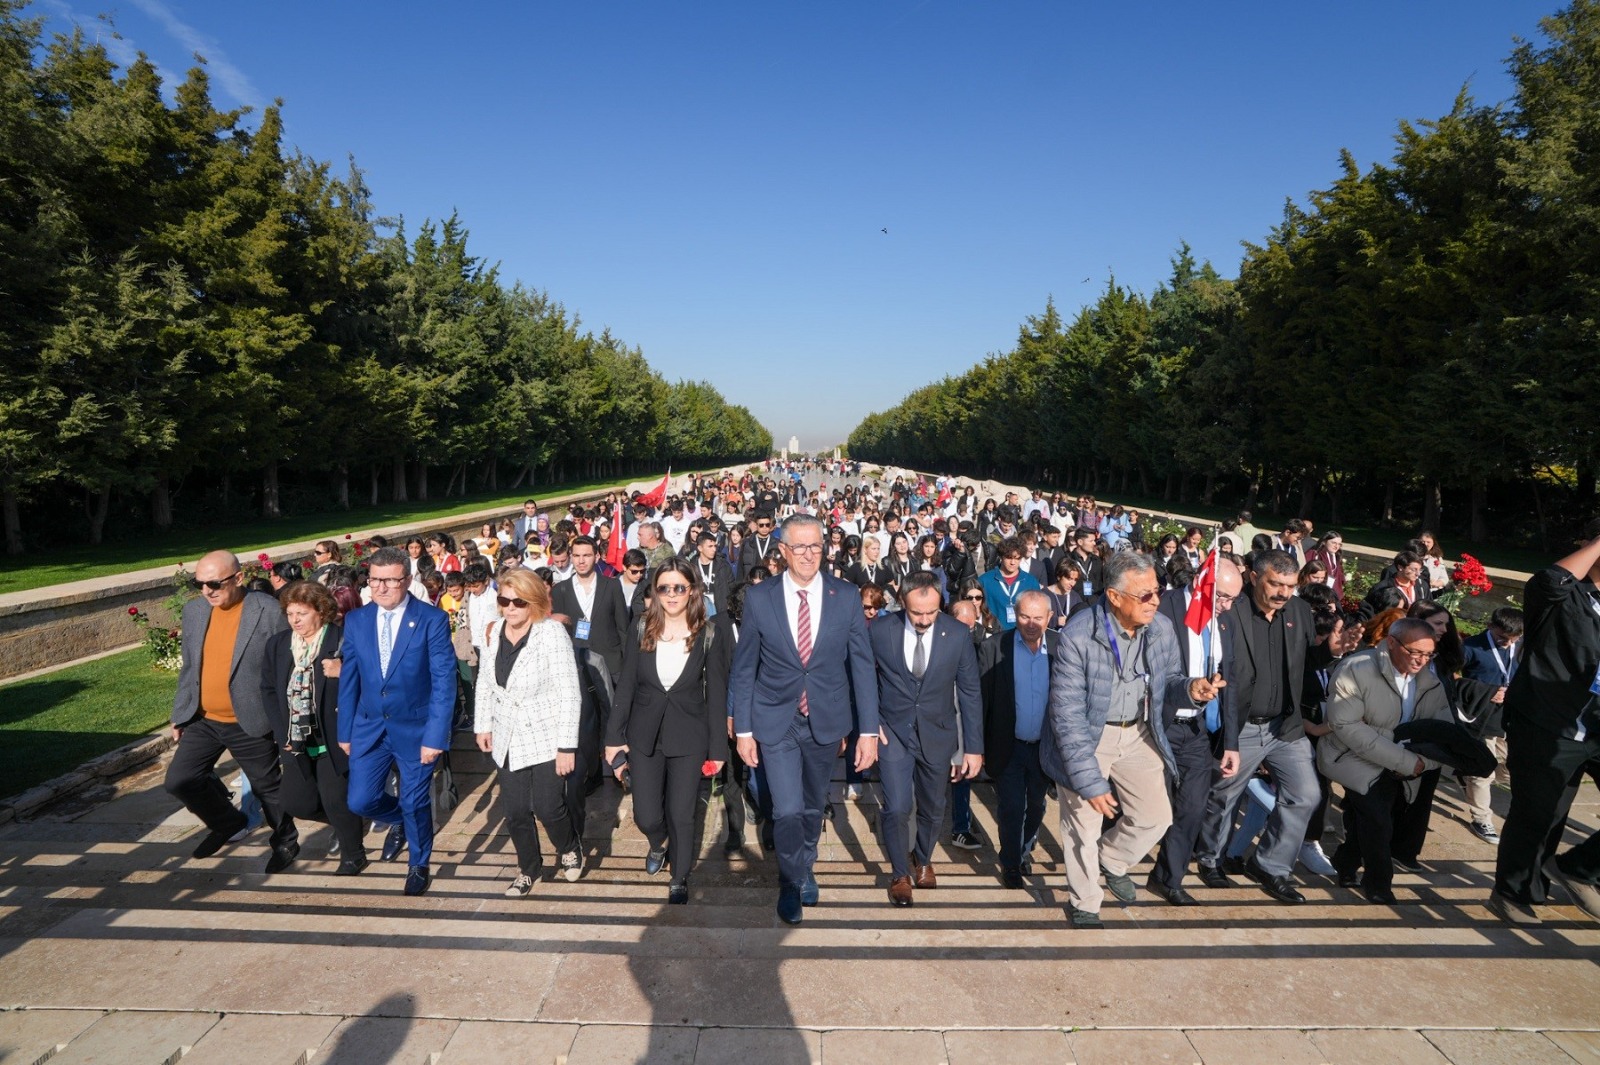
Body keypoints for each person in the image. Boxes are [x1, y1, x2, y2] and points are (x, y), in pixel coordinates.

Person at [1040, 551, 1222, 928]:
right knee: (1083, 827)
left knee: (1156, 817)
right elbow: (1068, 717)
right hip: (1090, 736)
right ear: (1114, 596)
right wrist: (1090, 783)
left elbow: (1168, 682)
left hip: (1139, 732)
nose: (1155, 601)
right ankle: (1086, 903)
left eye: (1157, 591)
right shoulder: (1078, 636)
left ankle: (1113, 859)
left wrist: (1192, 689)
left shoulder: (1161, 628)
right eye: (1145, 595)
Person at [729, 513, 880, 925]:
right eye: (800, 546)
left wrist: (868, 729)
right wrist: (743, 728)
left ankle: (807, 862)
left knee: (814, 805)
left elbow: (862, 666)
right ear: (782, 551)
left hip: (826, 720)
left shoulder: (846, 596)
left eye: (816, 546)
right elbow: (744, 669)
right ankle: (791, 880)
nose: (809, 554)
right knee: (787, 809)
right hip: (776, 720)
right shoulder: (760, 599)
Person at [1193, 550, 1321, 905]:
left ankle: (1270, 866)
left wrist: (1331, 653)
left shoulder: (1299, 611)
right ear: (1253, 577)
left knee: (1306, 795)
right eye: (1275, 584)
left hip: (1285, 727)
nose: (1283, 593)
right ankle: (1210, 858)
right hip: (1242, 725)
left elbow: (1306, 664)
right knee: (1224, 795)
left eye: (1290, 586)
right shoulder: (1231, 612)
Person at [1489, 520, 1600, 925]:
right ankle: (1513, 892)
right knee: (1541, 814)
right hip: (1547, 723)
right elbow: (1547, 581)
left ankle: (1580, 867)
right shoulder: (1565, 598)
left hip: (1597, 725)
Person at [604, 559, 733, 904]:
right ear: (655, 591)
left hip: (690, 735)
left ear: (691, 590)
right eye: (664, 587)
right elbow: (627, 683)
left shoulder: (709, 633)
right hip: (644, 734)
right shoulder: (641, 627)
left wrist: (717, 749)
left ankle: (680, 875)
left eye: (679, 587)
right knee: (647, 814)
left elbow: (717, 693)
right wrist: (613, 737)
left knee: (682, 811)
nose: (672, 594)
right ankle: (658, 843)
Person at [165, 550, 298, 873]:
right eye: (200, 584)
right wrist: (181, 712)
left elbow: (287, 665)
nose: (207, 591)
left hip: (249, 720)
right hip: (204, 719)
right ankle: (228, 823)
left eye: (214, 583)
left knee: (268, 789)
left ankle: (285, 842)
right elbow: (190, 667)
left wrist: (287, 720)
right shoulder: (195, 611)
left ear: (238, 578)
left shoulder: (266, 611)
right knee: (179, 780)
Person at [338, 546, 457, 897]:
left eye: (390, 580)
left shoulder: (431, 619)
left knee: (416, 800)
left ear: (407, 580)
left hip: (416, 729)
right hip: (369, 727)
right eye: (374, 580)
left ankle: (419, 864)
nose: (381, 588)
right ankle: (401, 822)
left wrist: (435, 736)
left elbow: (443, 681)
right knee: (360, 801)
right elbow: (350, 680)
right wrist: (346, 730)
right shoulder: (357, 620)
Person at [869, 573, 983, 906]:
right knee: (896, 806)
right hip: (892, 732)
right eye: (917, 613)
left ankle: (923, 857)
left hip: (938, 733)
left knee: (934, 809)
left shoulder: (958, 634)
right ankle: (899, 873)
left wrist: (973, 748)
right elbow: (863, 678)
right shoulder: (880, 630)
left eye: (931, 613)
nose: (923, 620)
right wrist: (870, 722)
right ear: (903, 602)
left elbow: (970, 692)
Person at [1321, 617, 1452, 904]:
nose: (1421, 661)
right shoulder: (1357, 668)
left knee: (1375, 818)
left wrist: (1420, 763)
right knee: (1379, 821)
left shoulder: (1430, 680)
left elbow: (1443, 732)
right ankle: (1379, 884)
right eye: (1414, 652)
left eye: (1428, 654)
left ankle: (1344, 864)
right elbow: (1346, 725)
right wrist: (1405, 761)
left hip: (1404, 763)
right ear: (1391, 642)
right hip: (1353, 757)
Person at [474, 567, 586, 895]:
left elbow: (570, 692)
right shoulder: (493, 632)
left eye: (518, 602)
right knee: (516, 811)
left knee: (549, 807)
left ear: (533, 602)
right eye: (504, 600)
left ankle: (568, 846)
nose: (510, 607)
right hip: (508, 734)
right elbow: (484, 682)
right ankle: (528, 868)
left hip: (547, 735)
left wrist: (567, 746)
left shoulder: (550, 634)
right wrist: (483, 724)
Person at [1147, 557, 1243, 906]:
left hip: (1196, 730)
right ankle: (1111, 861)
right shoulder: (1165, 608)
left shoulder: (1223, 623)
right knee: (1149, 809)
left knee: (1191, 809)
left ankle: (1168, 878)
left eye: (1233, 599)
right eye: (1223, 597)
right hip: (1158, 724)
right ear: (1204, 581)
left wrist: (1230, 742)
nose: (1228, 606)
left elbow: (1228, 683)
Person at [261, 580, 367, 874]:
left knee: (335, 798)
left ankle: (353, 854)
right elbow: (268, 689)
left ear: (321, 611)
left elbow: (369, 682)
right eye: (290, 614)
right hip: (294, 738)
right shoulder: (279, 645)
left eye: (302, 613)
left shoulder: (342, 640)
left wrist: (342, 672)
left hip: (333, 737)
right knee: (297, 802)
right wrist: (281, 731)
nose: (295, 620)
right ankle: (349, 818)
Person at [980, 589, 1061, 888]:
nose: (1030, 623)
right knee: (1012, 806)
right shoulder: (994, 647)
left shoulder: (1060, 647)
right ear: (1016, 614)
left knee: (1037, 806)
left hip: (1044, 747)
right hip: (1008, 745)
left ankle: (1024, 850)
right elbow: (982, 700)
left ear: (1050, 618)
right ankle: (1011, 862)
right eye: (1024, 616)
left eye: (1038, 618)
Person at [1457, 607, 1524, 843]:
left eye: (1513, 639)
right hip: (1482, 717)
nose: (1507, 644)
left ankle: (1467, 774)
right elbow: (1449, 675)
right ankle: (1482, 818)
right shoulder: (1471, 647)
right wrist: (1485, 692)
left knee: (1513, 766)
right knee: (1482, 772)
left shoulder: (1522, 646)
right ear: (1490, 626)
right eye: (1502, 638)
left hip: (1512, 717)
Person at [979, 537, 1042, 633]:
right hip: (993, 634)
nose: (1013, 562)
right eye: (1008, 558)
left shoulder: (1031, 581)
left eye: (1017, 558)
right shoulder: (985, 580)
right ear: (1001, 557)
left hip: (1023, 634)